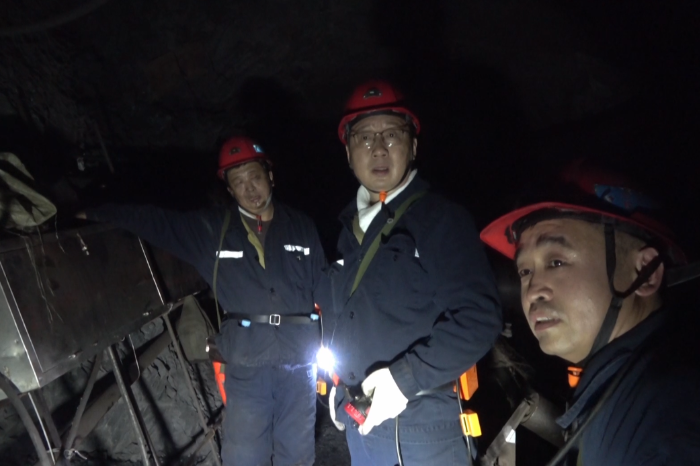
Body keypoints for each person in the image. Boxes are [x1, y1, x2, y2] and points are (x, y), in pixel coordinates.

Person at [79, 136, 326, 466]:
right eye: (239, 182)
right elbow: (154, 221)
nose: (250, 189)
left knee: (297, 455)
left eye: (255, 177)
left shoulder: (302, 227)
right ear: (230, 190)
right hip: (247, 364)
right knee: (244, 457)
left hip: (300, 361)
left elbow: (327, 288)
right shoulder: (211, 231)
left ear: (270, 176)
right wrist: (94, 212)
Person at [321, 80, 502, 465]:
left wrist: (404, 379)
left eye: (391, 134)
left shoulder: (440, 220)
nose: (379, 148)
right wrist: (338, 386)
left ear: (414, 146)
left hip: (422, 432)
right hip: (361, 426)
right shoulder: (346, 233)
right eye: (364, 137)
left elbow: (480, 317)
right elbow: (342, 320)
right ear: (349, 153)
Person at [480, 158, 700, 465]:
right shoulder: (617, 387)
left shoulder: (670, 423)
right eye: (525, 271)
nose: (532, 291)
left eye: (556, 262)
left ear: (645, 272)